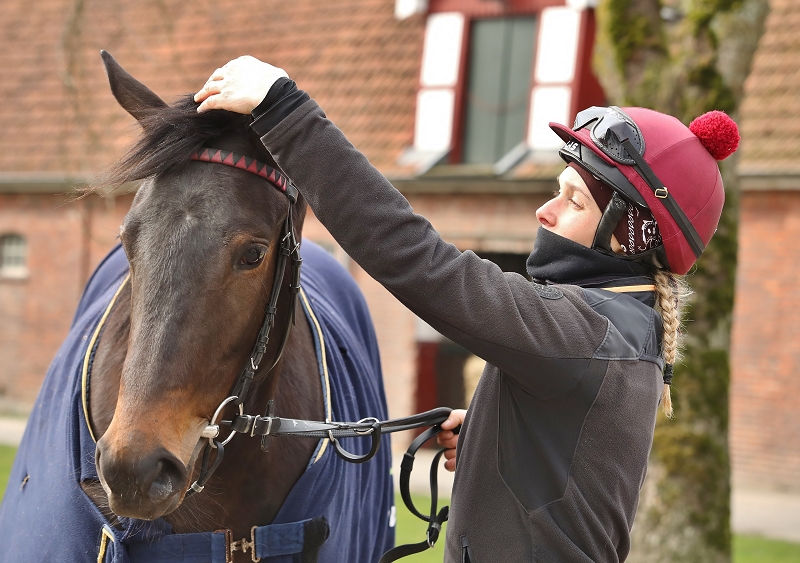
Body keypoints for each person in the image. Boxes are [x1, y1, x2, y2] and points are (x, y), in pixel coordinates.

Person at [193, 56, 739, 562]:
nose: (545, 212)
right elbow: (573, 453)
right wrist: (489, 434)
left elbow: (419, 261)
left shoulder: (583, 332)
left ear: (630, 234)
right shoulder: (621, 325)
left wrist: (286, 111)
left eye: (573, 200)